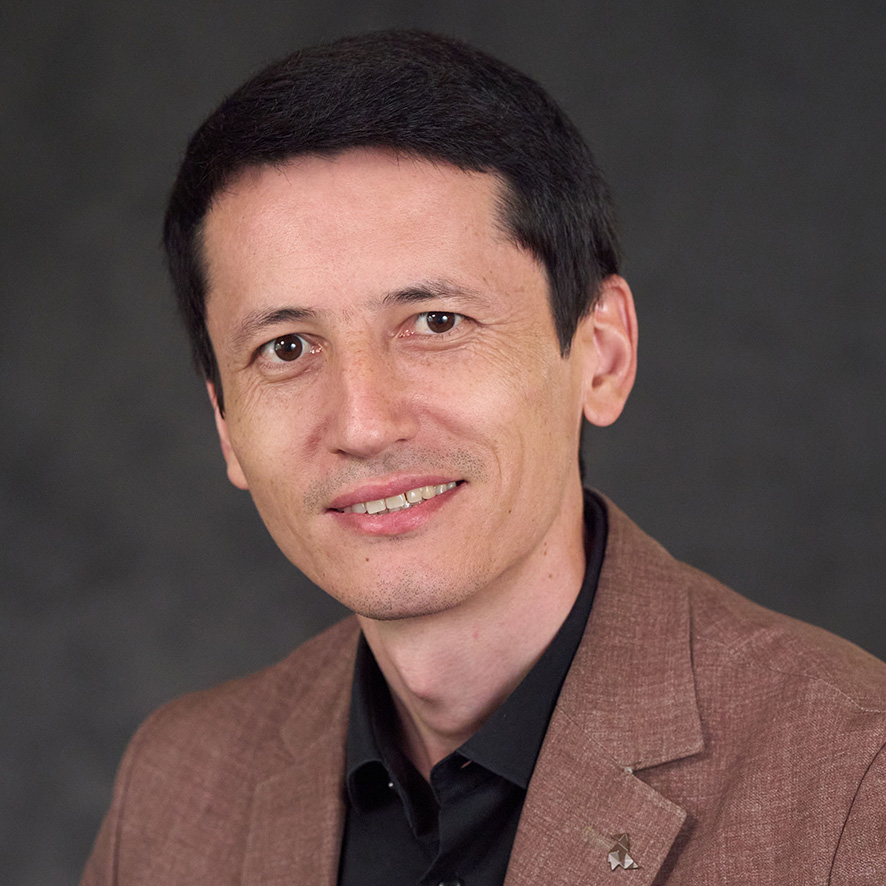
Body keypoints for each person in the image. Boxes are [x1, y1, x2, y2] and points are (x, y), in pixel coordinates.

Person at [82, 30, 886, 885]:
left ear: (602, 355)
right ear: (225, 423)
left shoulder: (854, 783)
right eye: (286, 348)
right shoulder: (175, 788)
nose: (363, 422)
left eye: (435, 323)